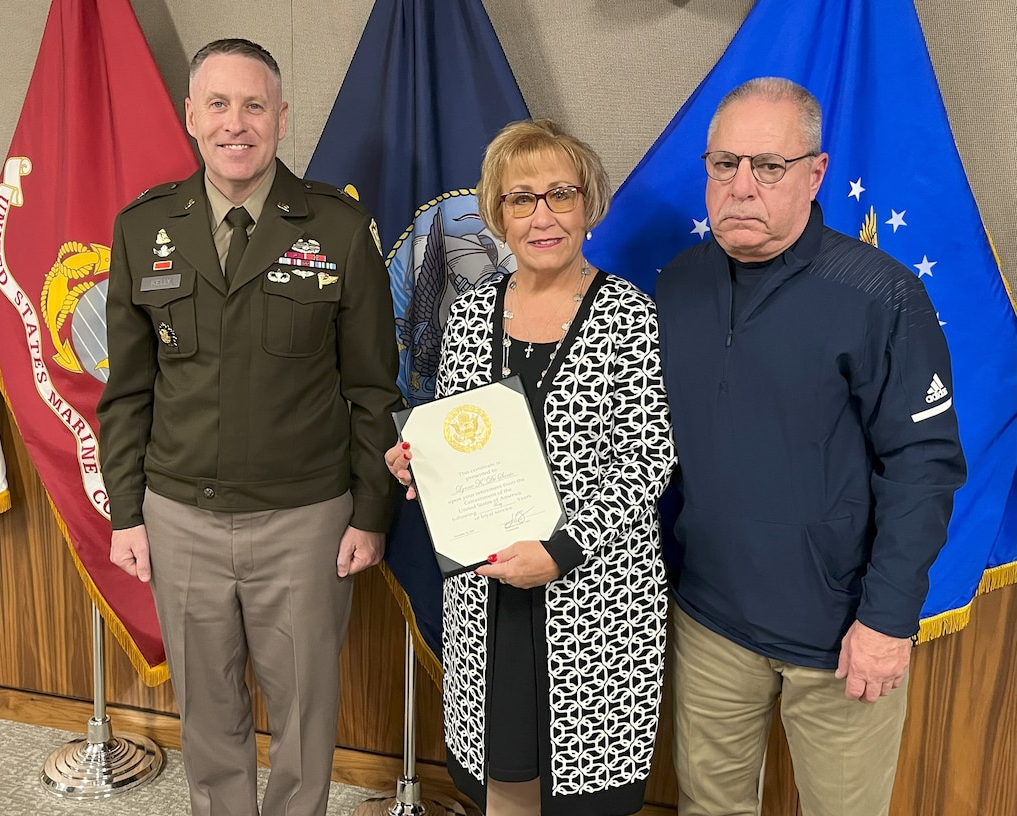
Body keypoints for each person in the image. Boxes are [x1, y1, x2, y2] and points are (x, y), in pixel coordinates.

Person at [96, 39, 400, 816]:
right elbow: (126, 392)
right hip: (179, 516)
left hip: (305, 519)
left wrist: (371, 513)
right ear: (192, 116)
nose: (238, 124)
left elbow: (373, 388)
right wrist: (126, 512)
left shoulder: (337, 228)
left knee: (305, 717)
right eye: (220, 105)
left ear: (281, 118)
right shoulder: (143, 228)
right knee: (207, 714)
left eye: (255, 105)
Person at [656, 77, 967, 816]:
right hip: (709, 617)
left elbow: (924, 467)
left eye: (769, 166)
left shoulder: (881, 296)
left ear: (816, 173)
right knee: (708, 807)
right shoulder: (678, 282)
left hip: (841, 630)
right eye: (723, 164)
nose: (741, 187)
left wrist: (888, 620)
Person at [386, 119, 676, 816]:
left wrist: (561, 550)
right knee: (503, 780)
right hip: (488, 600)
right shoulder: (470, 314)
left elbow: (648, 458)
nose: (542, 216)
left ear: (589, 204)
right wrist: (418, 463)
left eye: (560, 194)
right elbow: (456, 429)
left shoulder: (628, 316)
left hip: (594, 602)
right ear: (498, 214)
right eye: (522, 199)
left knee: (584, 798)